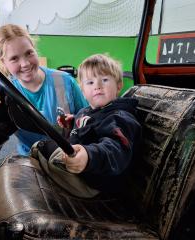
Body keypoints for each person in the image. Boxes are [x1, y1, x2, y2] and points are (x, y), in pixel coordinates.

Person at [33, 54, 142, 198]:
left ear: (119, 86)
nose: (97, 86)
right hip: (82, 171)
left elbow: (115, 148)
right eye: (90, 82)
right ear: (83, 92)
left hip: (96, 184)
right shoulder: (87, 111)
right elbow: (88, 128)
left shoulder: (120, 117)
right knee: (43, 148)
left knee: (42, 148)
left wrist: (89, 156)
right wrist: (72, 123)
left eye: (104, 80)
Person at [0, 24, 88, 156]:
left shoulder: (65, 81)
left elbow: (87, 120)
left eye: (29, 53)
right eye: (14, 58)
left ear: (34, 49)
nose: (25, 64)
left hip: (68, 155)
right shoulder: (2, 92)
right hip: (30, 159)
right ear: (3, 61)